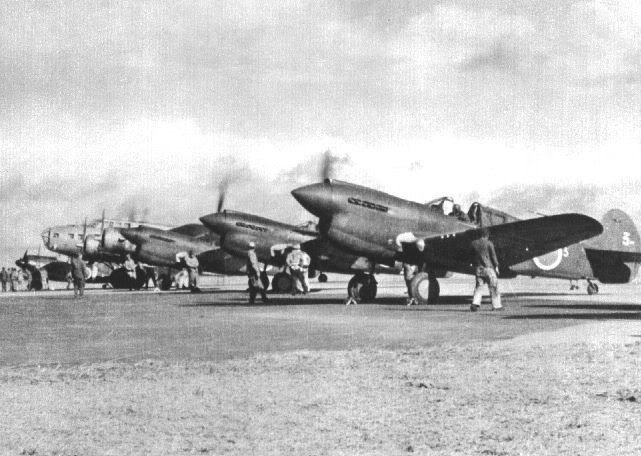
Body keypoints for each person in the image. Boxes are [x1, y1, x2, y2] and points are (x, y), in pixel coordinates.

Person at [470, 228, 502, 311]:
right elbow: (493, 256)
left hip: (478, 268)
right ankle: (496, 305)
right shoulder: (489, 243)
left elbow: (471, 256)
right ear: (486, 235)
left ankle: (475, 304)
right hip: (488, 268)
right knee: (493, 287)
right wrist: (496, 266)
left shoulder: (473, 243)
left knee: (479, 287)